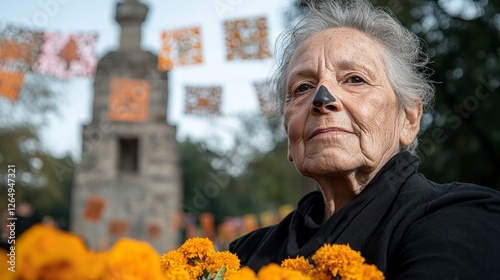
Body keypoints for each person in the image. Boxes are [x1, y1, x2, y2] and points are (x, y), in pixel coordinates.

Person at [229, 0, 500, 279]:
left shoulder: (462, 219)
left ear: (409, 120)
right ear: (288, 132)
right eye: (303, 87)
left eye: (355, 79)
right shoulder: (244, 254)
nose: (322, 99)